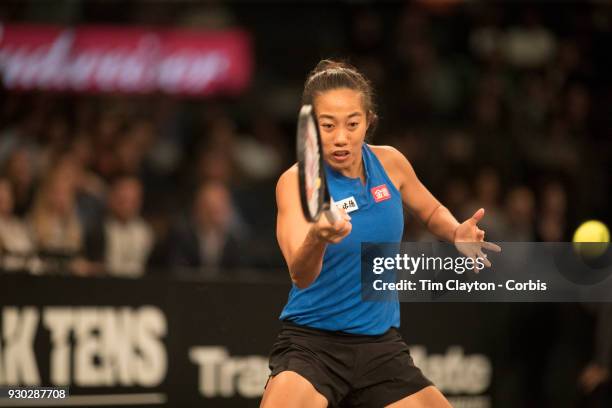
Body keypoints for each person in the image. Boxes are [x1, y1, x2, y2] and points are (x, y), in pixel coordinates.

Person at [261, 60, 500, 408]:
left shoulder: (390, 163)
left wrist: (455, 231)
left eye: (352, 124)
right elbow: (301, 274)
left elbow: (431, 211)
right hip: (312, 347)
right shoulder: (296, 183)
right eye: (327, 126)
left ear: (368, 121)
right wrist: (318, 237)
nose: (341, 137)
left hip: (380, 348)